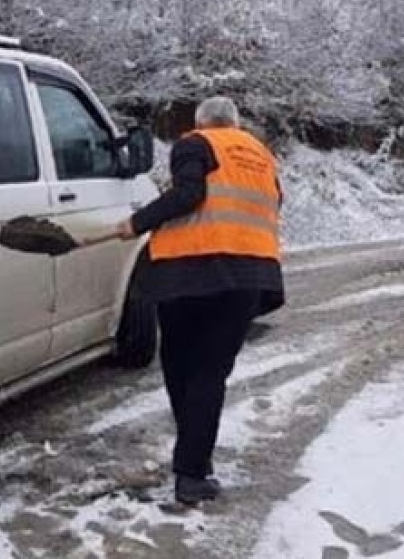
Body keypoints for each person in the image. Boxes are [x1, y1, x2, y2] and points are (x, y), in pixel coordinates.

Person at [116, 96, 285, 506]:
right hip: (247, 276)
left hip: (188, 272)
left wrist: (136, 222)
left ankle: (190, 467)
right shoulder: (262, 157)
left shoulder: (196, 143)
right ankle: (194, 467)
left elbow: (189, 194)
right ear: (235, 124)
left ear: (204, 122)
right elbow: (272, 204)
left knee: (179, 363)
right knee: (210, 372)